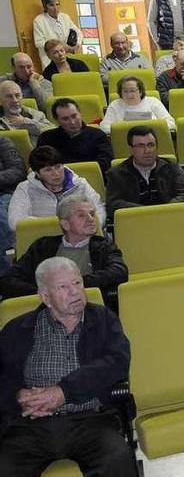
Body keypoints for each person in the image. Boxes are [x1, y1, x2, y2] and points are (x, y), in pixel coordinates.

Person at [0, 257, 135, 476]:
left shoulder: (103, 319)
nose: (74, 292)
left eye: (77, 283)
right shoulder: (18, 329)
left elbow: (116, 362)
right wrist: (18, 396)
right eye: (63, 287)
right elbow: (3, 377)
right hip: (30, 426)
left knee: (116, 459)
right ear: (45, 297)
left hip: (92, 421)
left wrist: (63, 392)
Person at [0, 196, 127, 300]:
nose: (91, 219)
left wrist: (72, 284)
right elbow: (8, 280)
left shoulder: (103, 245)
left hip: (89, 306)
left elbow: (119, 272)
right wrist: (44, 292)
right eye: (81, 215)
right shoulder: (43, 246)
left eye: (92, 214)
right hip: (45, 308)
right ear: (65, 224)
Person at [105, 125, 184, 218]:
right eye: (141, 146)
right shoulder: (116, 174)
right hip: (136, 221)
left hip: (169, 218)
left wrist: (166, 209)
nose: (147, 151)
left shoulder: (171, 167)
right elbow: (113, 204)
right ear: (131, 149)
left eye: (151, 145)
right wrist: (145, 212)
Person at [8, 146, 105, 229]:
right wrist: (55, 227)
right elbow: (15, 221)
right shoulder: (25, 188)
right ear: (37, 173)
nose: (56, 174)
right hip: (42, 240)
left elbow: (99, 212)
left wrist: (82, 229)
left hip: (81, 236)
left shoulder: (80, 184)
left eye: (58, 166)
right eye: (48, 170)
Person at [36, 98, 113, 173]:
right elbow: (40, 165)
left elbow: (106, 164)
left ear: (80, 113)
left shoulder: (98, 135)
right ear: (57, 120)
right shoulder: (46, 138)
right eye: (65, 119)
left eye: (74, 116)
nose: (72, 122)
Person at [99, 76, 175, 134]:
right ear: (120, 93)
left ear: (140, 92)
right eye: (125, 91)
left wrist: (152, 124)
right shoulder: (115, 105)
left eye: (132, 90)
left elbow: (171, 124)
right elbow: (104, 127)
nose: (129, 95)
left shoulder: (153, 102)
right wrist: (124, 128)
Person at [32, 0, 82, 68]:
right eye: (51, 5)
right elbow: (38, 43)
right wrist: (60, 46)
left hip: (68, 55)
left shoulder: (65, 17)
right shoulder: (39, 20)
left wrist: (76, 45)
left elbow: (78, 33)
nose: (55, 8)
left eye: (57, 4)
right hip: (50, 59)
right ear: (45, 7)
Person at [0, 80, 53, 146]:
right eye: (9, 96)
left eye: (17, 95)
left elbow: (53, 133)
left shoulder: (37, 115)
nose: (15, 100)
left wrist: (25, 122)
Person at [0, 137, 26, 263]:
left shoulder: (2, 142)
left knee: (1, 214)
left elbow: (18, 171)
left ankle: (11, 257)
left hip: (5, 191)